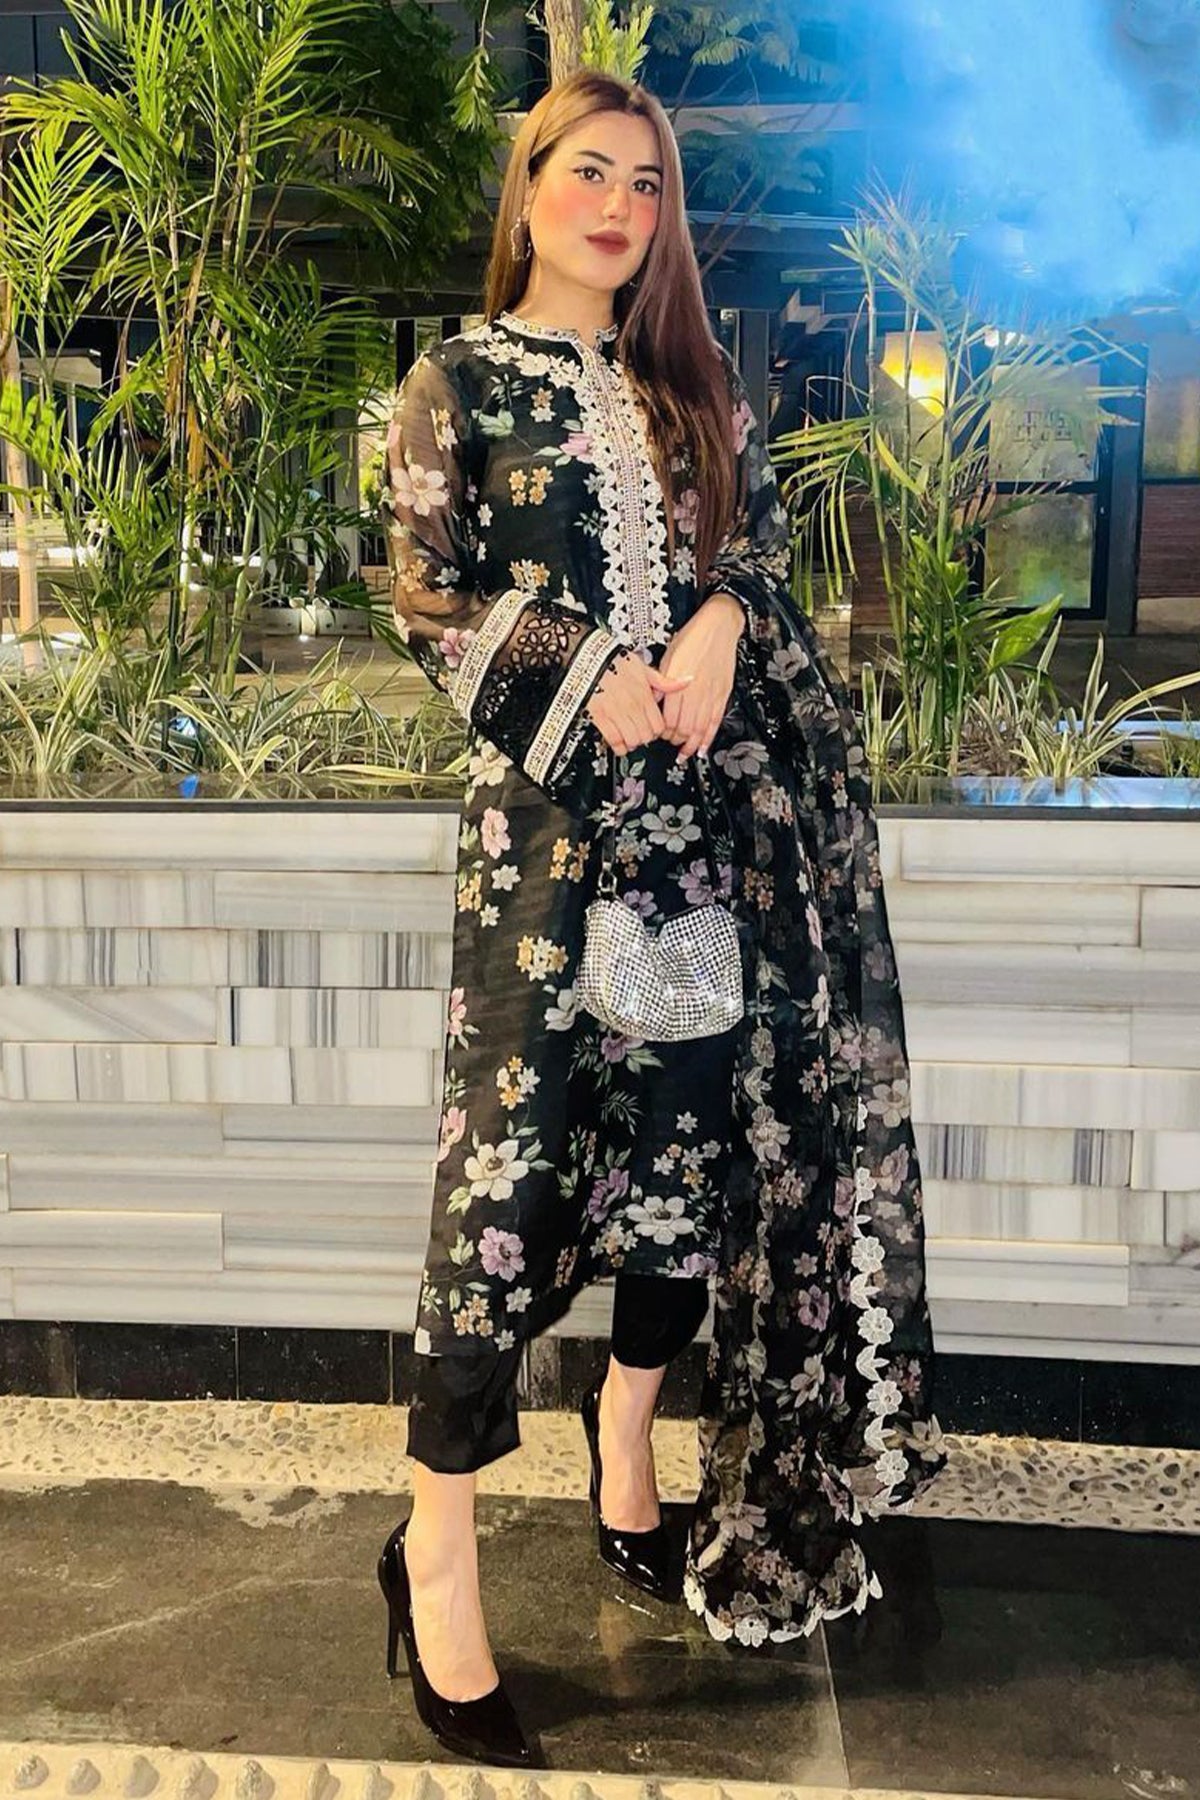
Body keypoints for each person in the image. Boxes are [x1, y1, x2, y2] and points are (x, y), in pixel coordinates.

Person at [376, 68, 949, 1769]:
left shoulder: (694, 388)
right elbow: (422, 592)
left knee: (682, 1170)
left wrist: (716, 625)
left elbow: (750, 562)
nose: (619, 206)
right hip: (546, 858)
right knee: (505, 1188)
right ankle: (436, 1550)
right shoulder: (458, 381)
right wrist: (579, 669)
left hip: (695, 850)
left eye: (647, 183)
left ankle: (627, 1448)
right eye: (589, 171)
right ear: (530, 186)